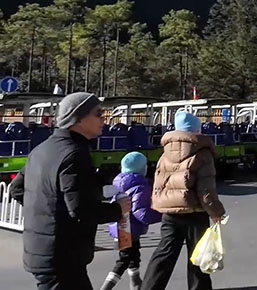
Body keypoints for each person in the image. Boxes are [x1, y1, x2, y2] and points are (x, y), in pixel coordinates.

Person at [9, 92, 129, 290]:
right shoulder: (73, 153)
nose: (104, 119)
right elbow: (81, 209)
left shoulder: (42, 149)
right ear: (77, 118)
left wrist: (47, 212)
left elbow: (17, 189)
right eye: (98, 113)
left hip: (46, 251)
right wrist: (117, 209)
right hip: (62, 254)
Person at [142, 112, 226, 290]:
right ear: (197, 130)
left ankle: (149, 287)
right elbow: (206, 190)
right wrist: (217, 212)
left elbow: (158, 183)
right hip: (194, 212)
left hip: (170, 212)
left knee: (164, 253)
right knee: (198, 254)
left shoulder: (165, 153)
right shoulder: (202, 153)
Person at [101, 152, 162, 290]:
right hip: (130, 229)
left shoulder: (118, 183)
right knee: (124, 259)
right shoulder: (140, 187)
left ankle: (135, 282)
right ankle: (106, 287)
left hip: (119, 226)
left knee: (133, 256)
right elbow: (141, 213)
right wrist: (161, 215)